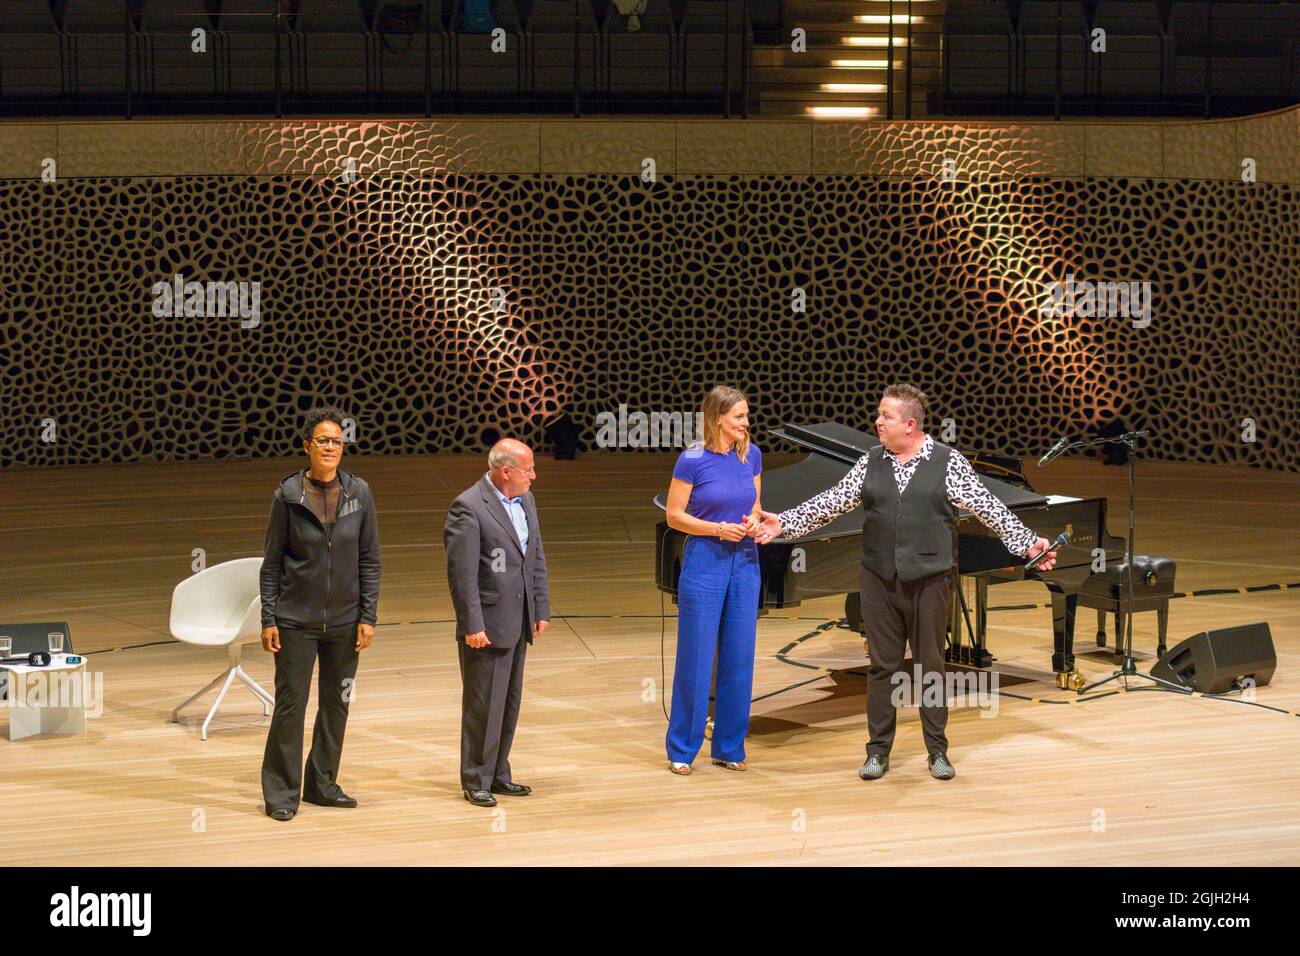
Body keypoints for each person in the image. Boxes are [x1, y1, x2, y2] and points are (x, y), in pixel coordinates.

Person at [756, 384, 1057, 781]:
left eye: (886, 416)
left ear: (910, 424)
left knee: (931, 665)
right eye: (879, 414)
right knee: (882, 667)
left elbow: (989, 507)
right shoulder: (871, 460)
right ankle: (878, 751)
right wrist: (785, 522)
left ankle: (937, 750)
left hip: (930, 580)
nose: (878, 422)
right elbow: (833, 501)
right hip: (879, 578)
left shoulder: (948, 462)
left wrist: (1027, 542)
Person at [259, 406, 381, 821]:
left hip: (345, 623)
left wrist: (368, 616)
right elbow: (271, 563)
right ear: (307, 445)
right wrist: (269, 618)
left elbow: (370, 559)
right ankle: (281, 792)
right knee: (290, 708)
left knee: (336, 704)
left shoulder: (359, 493)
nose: (331, 447)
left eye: (337, 441)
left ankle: (322, 784)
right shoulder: (288, 495)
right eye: (323, 440)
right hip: (295, 622)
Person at [443, 438, 550, 807]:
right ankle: (476, 778)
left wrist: (540, 607)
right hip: (486, 625)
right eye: (528, 469)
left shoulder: (526, 501)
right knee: (484, 705)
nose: (533, 476)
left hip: (518, 620)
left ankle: (498, 773)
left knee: (508, 703)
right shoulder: (468, 507)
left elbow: (535, 557)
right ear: (506, 472)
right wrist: (472, 624)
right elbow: (462, 576)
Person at [664, 386, 764, 775]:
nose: (746, 422)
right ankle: (682, 748)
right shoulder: (692, 458)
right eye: (739, 416)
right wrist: (717, 529)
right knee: (696, 656)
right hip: (705, 560)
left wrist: (754, 520)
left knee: (739, 655)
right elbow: (674, 515)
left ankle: (729, 746)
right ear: (717, 418)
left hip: (746, 562)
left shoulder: (751, 456)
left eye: (746, 415)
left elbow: (755, 505)